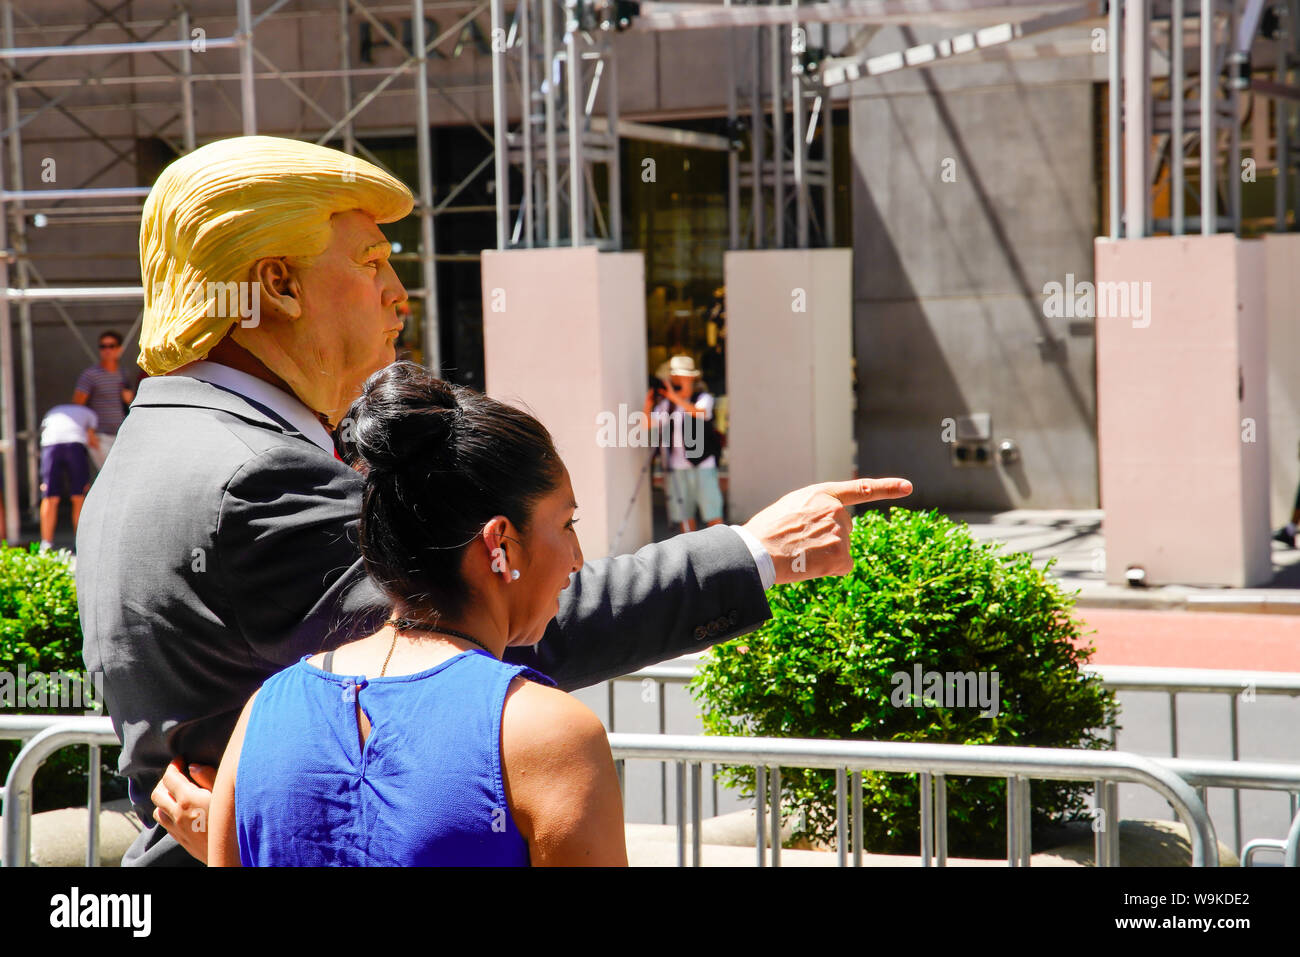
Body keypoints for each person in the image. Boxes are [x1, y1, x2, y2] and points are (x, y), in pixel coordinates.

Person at [75, 135, 912, 866]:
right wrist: (756, 553)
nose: (401, 296)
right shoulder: (252, 471)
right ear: (275, 284)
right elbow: (487, 627)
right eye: (371, 266)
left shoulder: (155, 437)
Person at [209, 361, 625, 866]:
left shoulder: (263, 715)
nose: (578, 558)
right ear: (501, 544)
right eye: (567, 523)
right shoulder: (550, 736)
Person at [645, 355, 724, 533]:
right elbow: (646, 423)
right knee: (684, 516)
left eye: (679, 376)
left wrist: (675, 397)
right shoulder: (668, 405)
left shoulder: (702, 398)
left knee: (712, 512)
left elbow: (700, 413)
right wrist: (648, 403)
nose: (675, 380)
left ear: (690, 378)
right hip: (678, 466)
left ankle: (721, 549)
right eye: (674, 376)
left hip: (703, 464)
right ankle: (691, 554)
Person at [38, 403, 99, 550]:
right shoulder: (90, 413)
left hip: (50, 445)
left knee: (49, 496)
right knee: (78, 495)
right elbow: (92, 440)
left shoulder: (53, 410)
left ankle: (46, 543)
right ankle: (80, 543)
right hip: (75, 446)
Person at [73, 330, 135, 471]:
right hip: (100, 435)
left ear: (119, 349)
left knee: (122, 473)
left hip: (122, 435)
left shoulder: (124, 374)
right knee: (108, 474)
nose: (107, 350)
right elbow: (78, 405)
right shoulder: (90, 375)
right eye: (103, 346)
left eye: (111, 346)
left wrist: (129, 400)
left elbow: (129, 404)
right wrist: (89, 432)